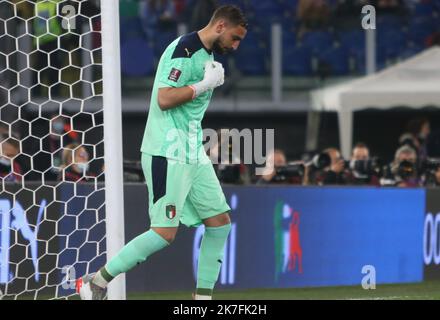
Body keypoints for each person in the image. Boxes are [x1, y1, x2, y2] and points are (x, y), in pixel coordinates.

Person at [76, 5, 248, 300]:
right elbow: (165, 98)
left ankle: (202, 298)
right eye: (235, 38)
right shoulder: (184, 49)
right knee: (163, 233)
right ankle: (97, 281)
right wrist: (202, 85)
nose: (236, 45)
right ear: (220, 26)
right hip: (167, 151)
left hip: (193, 151)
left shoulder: (207, 55)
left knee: (219, 223)